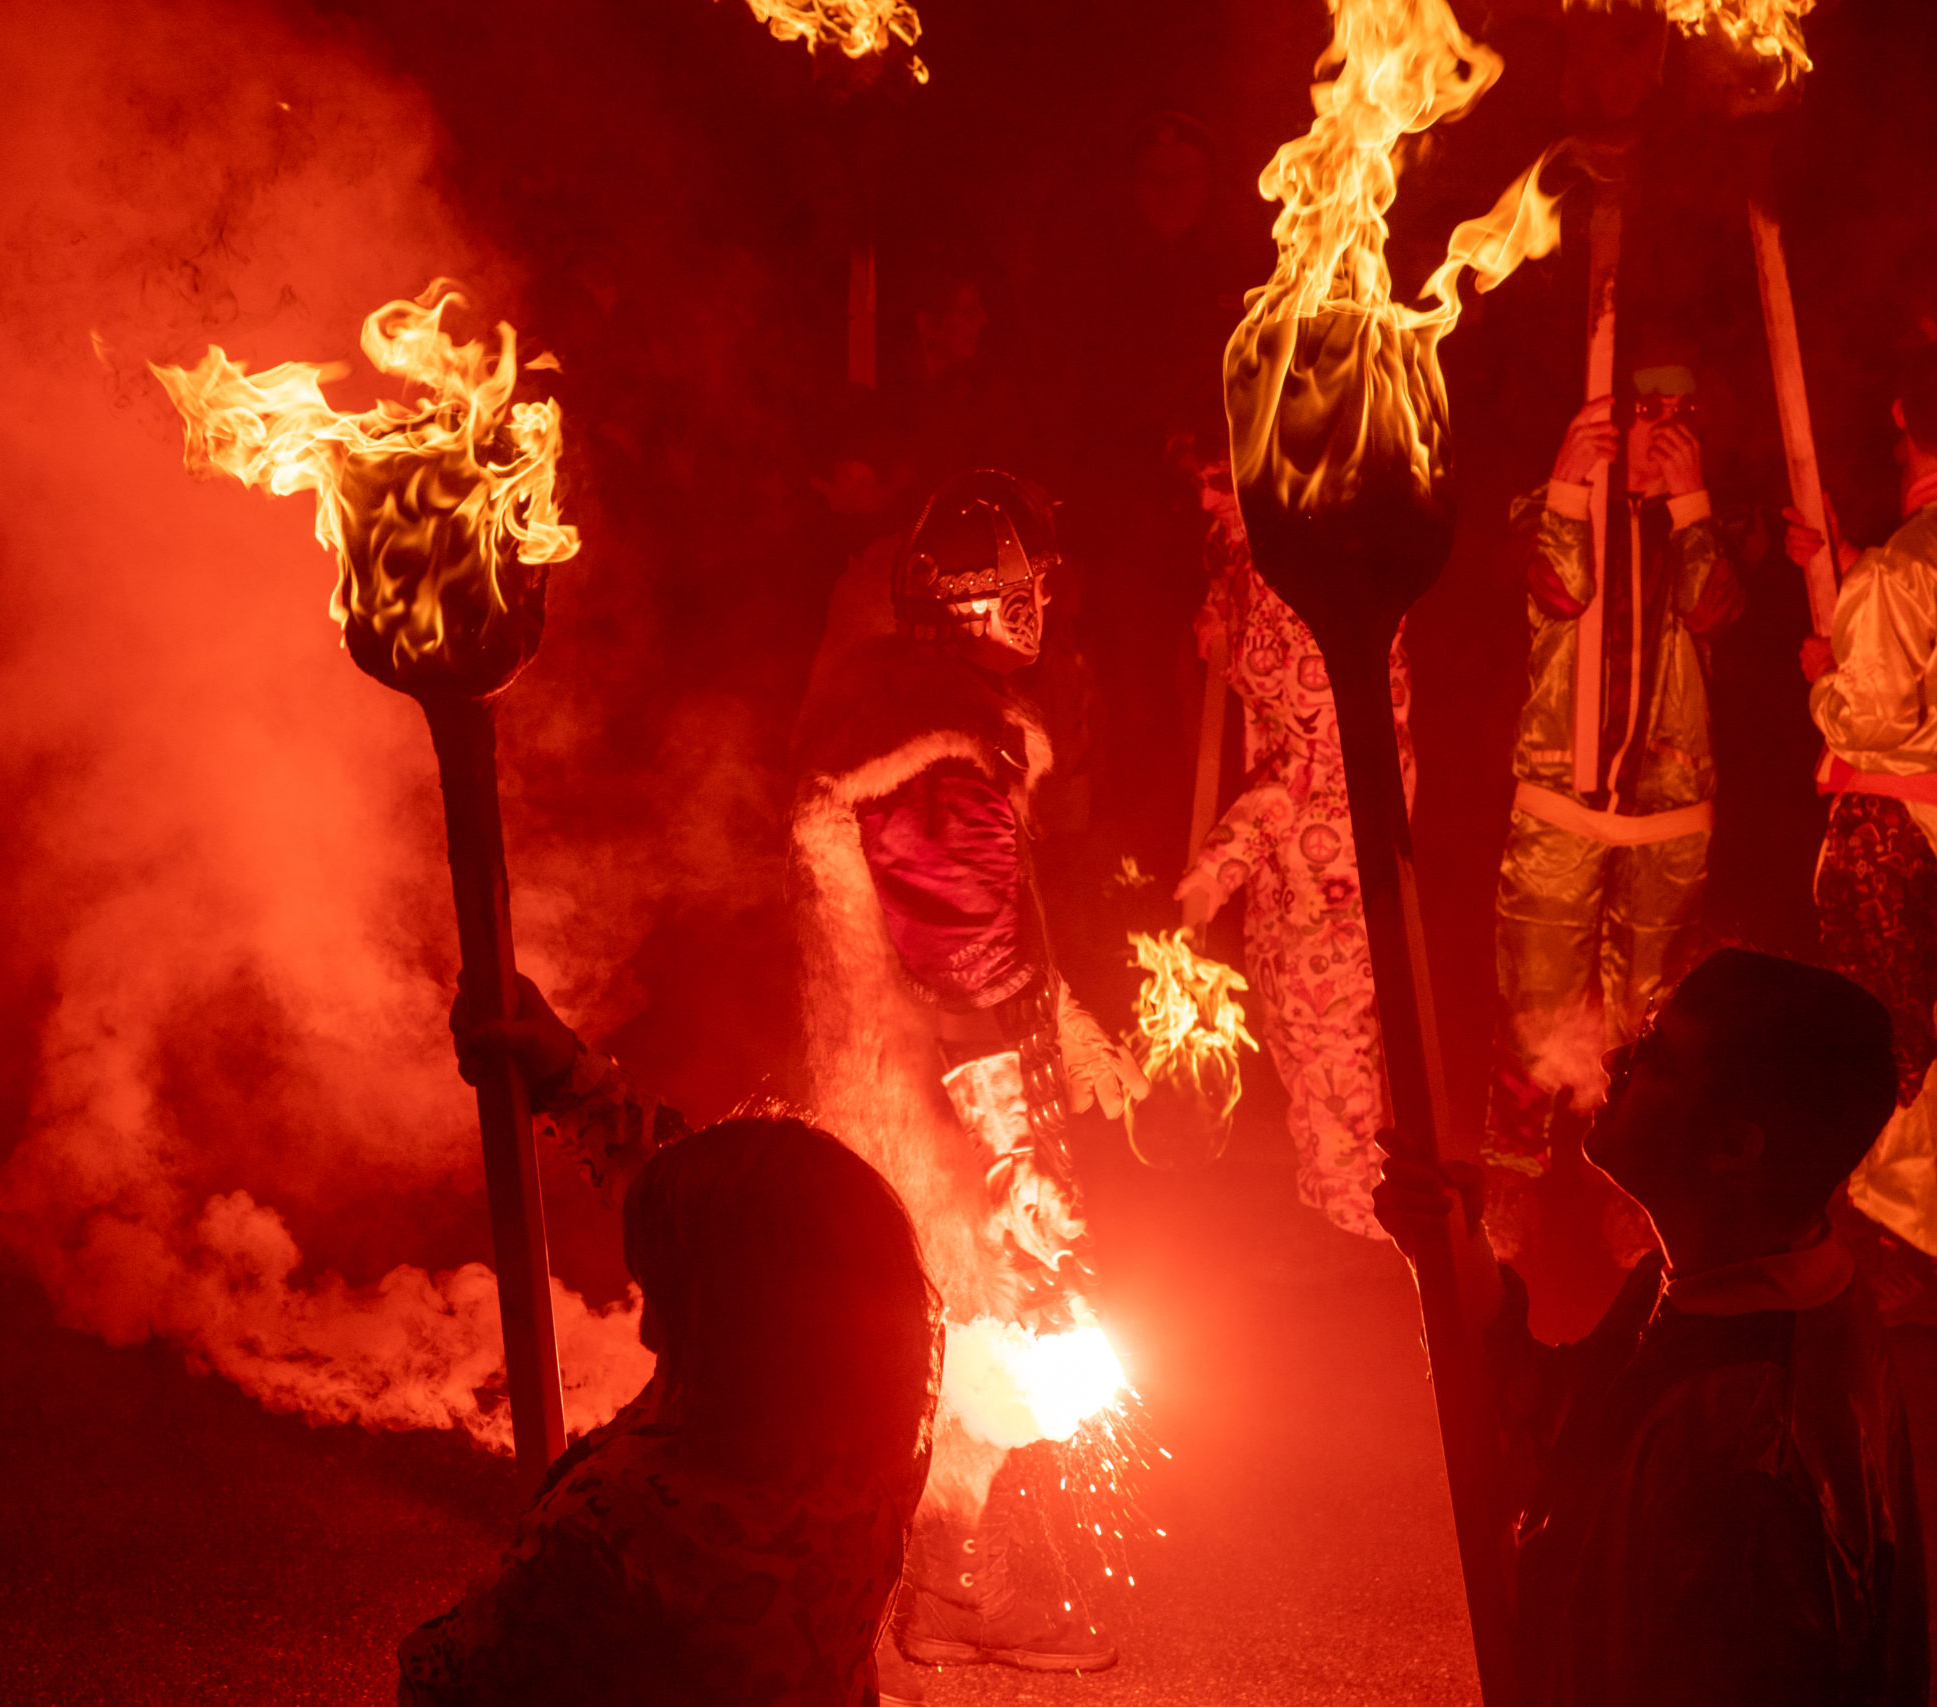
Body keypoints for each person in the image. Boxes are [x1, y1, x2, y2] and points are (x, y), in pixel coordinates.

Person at [790, 469, 1146, 1679]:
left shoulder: (915, 707)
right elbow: (960, 957)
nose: (1045, 605)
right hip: (932, 1098)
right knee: (990, 1315)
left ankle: (918, 1570)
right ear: (1002, 605)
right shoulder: (939, 741)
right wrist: (1012, 1158)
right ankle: (953, 1584)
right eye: (1030, 589)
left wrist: (1071, 1019)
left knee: (958, 1323)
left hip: (918, 1074)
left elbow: (986, 929)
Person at [1377, 948, 1925, 1706]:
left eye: (1658, 1056)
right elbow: (1564, 1442)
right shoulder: (1719, 1280)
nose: (1612, 1057)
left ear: (1735, 1145)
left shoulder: (1754, 1460)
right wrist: (1450, 1247)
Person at [398, 992, 938, 1707]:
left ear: (732, 1325)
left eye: (665, 1298)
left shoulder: (614, 1518)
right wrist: (568, 1074)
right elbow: (755, 1226)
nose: (649, 1330)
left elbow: (451, 1682)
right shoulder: (884, 1433)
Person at [1486, 350, 1743, 1239]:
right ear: (1614, 414)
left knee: (1654, 1013)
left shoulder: (1704, 520)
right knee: (1536, 996)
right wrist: (1568, 480)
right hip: (1561, 796)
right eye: (1646, 409)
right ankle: (1513, 1176)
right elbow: (1560, 589)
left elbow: (1712, 609)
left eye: (1684, 413)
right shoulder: (1551, 505)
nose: (1663, 429)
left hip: (1670, 807)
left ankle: (1632, 1190)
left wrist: (1694, 502)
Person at [1177, 459, 1413, 1246]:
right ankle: (1327, 1197)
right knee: (1288, 1027)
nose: (1206, 499)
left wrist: (1214, 874)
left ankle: (1371, 1224)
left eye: (1219, 478)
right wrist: (1219, 613)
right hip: (1288, 859)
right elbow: (1229, 580)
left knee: (1331, 1039)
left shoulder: (1309, 587)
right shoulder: (1252, 541)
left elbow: (1312, 766)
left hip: (1332, 852)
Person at [1797, 339, 1937, 1110]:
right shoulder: (1889, 572)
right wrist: (1850, 571)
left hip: (1897, 842)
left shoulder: (1899, 570)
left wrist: (1826, 678)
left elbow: (1871, 723)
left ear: (1901, 420)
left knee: (1883, 1055)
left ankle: (1878, 1216)